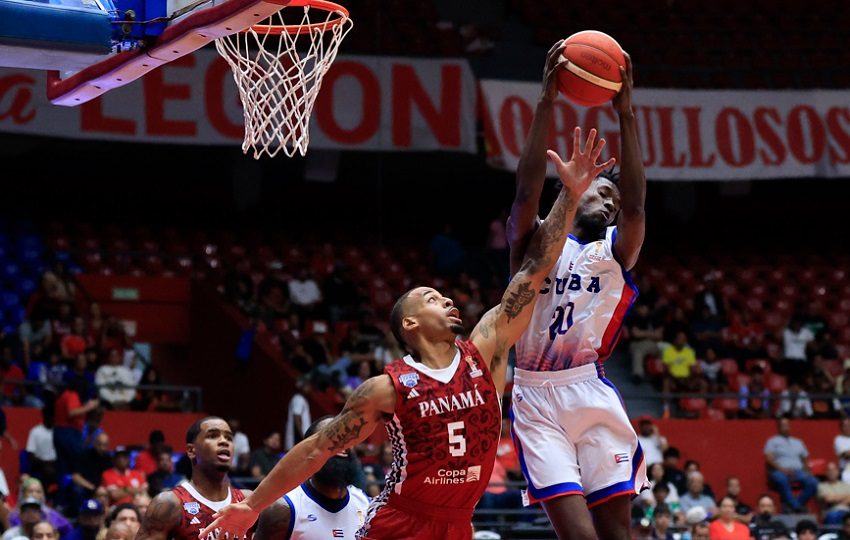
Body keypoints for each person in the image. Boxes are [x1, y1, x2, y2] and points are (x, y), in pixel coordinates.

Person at [201, 127, 612, 540]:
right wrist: (251, 506)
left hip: (457, 525)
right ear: (409, 324)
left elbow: (534, 270)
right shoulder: (386, 388)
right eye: (432, 298)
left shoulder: (485, 348)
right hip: (398, 522)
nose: (448, 301)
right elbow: (316, 448)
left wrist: (570, 194)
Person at [506, 41, 647, 540]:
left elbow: (634, 209)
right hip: (535, 395)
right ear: (575, 183)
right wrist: (546, 100)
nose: (610, 201)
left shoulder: (615, 252)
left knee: (618, 534)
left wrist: (625, 114)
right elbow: (525, 192)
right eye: (600, 189)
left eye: (613, 195)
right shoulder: (535, 242)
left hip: (590, 387)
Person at [136, 417, 279, 540]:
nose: (224, 441)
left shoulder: (248, 500)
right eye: (213, 436)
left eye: (229, 438)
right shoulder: (169, 503)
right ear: (192, 451)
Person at [254, 417, 370, 539]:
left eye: (347, 437)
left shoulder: (367, 506)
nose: (341, 443)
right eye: (331, 437)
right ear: (309, 452)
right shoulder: (282, 510)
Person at [764, 417, 818, 512]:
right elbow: (769, 459)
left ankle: (795, 505)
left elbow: (805, 459)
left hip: (798, 472)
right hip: (780, 471)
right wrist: (782, 469)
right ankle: (797, 507)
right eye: (783, 425)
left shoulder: (798, 442)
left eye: (787, 425)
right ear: (779, 427)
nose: (786, 428)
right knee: (781, 479)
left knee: (813, 482)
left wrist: (807, 471)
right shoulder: (772, 441)